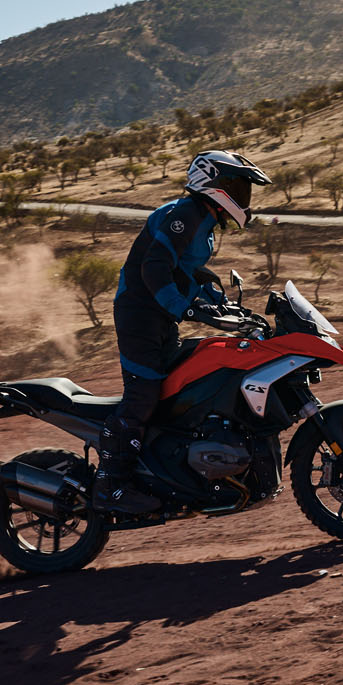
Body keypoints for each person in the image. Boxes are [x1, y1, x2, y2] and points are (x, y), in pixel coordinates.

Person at [93, 150, 271, 513]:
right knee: (142, 396)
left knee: (181, 384)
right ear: (212, 184)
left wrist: (219, 304)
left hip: (159, 318)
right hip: (139, 316)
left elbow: (185, 274)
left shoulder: (203, 220)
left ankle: (167, 472)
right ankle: (110, 484)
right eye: (236, 187)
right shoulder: (185, 215)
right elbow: (154, 271)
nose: (243, 197)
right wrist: (189, 308)